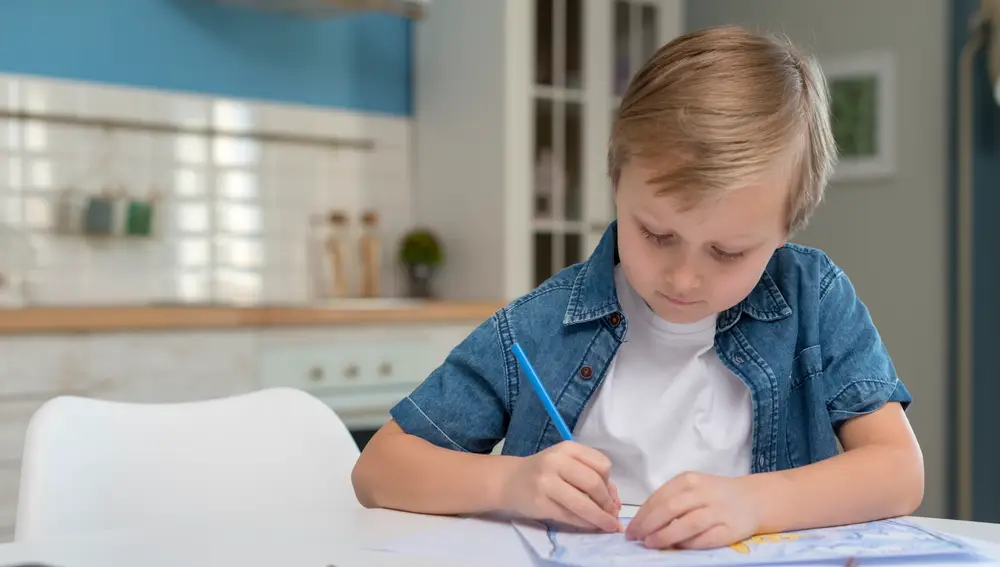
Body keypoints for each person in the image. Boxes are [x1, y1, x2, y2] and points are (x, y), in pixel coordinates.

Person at [351, 24, 924, 550]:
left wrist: (753, 502)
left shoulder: (814, 299)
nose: (682, 277)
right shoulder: (542, 324)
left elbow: (899, 472)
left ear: (786, 229)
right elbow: (380, 470)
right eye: (655, 233)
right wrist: (511, 481)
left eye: (727, 252)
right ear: (617, 184)